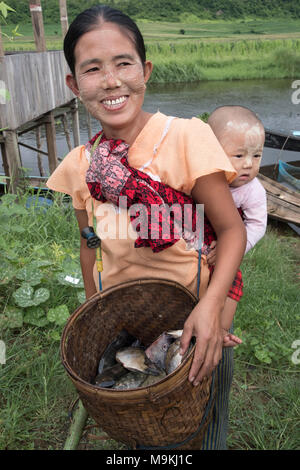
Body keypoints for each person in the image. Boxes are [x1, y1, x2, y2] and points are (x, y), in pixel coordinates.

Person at [46, 5, 246, 449]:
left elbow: (232, 231)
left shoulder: (186, 138)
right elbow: (89, 242)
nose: (112, 80)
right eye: (93, 69)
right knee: (144, 430)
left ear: (145, 70)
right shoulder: (78, 167)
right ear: (75, 85)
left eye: (123, 64)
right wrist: (95, 313)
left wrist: (211, 309)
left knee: (195, 429)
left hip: (195, 321)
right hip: (131, 324)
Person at [207, 105, 267, 346]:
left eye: (257, 156)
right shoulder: (203, 179)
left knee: (233, 282)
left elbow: (257, 225)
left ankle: (220, 331)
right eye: (239, 155)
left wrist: (231, 250)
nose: (248, 165)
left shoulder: (253, 191)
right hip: (195, 244)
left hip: (225, 250)